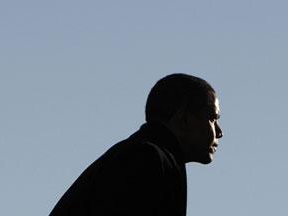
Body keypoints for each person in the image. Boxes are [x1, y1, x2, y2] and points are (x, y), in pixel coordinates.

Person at [49, 73, 223, 216]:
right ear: (184, 118)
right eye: (212, 119)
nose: (219, 132)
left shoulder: (144, 153)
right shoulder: (147, 159)